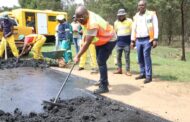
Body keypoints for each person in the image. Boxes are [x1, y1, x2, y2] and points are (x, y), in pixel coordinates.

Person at [74, 6, 117, 94]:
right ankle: (103, 80)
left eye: (80, 19)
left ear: (85, 15)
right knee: (99, 61)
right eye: (78, 19)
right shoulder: (86, 14)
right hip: (101, 40)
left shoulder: (92, 24)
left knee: (101, 61)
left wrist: (78, 56)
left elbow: (87, 43)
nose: (79, 21)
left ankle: (104, 86)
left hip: (109, 39)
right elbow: (84, 27)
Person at [131, 0, 159, 84]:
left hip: (147, 39)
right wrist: (132, 40)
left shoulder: (151, 14)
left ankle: (148, 76)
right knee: (140, 58)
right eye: (139, 5)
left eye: (142, 5)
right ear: (138, 6)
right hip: (138, 40)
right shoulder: (136, 16)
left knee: (146, 56)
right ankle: (142, 73)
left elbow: (156, 26)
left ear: (145, 6)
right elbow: (133, 29)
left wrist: (155, 39)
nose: (141, 7)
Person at [114, 9, 133, 76]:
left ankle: (127, 70)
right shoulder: (116, 22)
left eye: (122, 15)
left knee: (127, 57)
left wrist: (132, 41)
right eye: (119, 15)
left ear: (124, 15)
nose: (121, 16)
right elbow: (115, 32)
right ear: (118, 16)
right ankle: (119, 69)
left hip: (127, 42)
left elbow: (132, 31)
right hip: (119, 42)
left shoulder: (129, 21)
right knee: (118, 57)